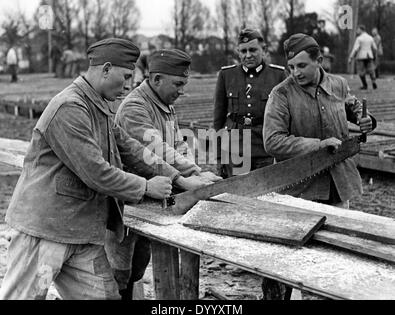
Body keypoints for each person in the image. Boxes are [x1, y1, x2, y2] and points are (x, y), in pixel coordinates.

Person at [0, 38, 209, 300]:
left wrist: (178, 177)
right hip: (44, 232)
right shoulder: (70, 107)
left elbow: (131, 149)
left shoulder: (99, 106)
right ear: (106, 69)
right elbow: (95, 171)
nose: (129, 85)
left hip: (83, 234)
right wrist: (145, 186)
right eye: (126, 76)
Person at [264, 33, 376, 299]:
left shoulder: (338, 85)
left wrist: (367, 121)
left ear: (319, 61)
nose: (295, 72)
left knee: (335, 264)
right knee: (302, 266)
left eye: (302, 66)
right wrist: (317, 145)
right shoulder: (281, 94)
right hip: (303, 192)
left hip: (339, 187)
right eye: (291, 67)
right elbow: (272, 141)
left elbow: (356, 113)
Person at [109, 48, 222, 300]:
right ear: (157, 79)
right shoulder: (135, 107)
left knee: (138, 265)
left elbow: (178, 145)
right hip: (126, 202)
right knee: (118, 272)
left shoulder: (165, 104)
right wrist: (188, 176)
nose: (182, 90)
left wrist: (198, 174)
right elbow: (155, 152)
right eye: (178, 84)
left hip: (154, 200)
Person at [214, 28, 287, 179]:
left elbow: (287, 117)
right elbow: (218, 119)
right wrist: (219, 155)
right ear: (238, 52)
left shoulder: (278, 75)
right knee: (235, 195)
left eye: (253, 50)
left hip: (265, 148)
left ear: (264, 50)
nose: (248, 55)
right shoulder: (226, 75)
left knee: (267, 195)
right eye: (243, 51)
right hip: (235, 148)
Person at [348, 25, 378, 90]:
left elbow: (355, 49)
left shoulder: (359, 38)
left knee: (361, 71)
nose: (357, 31)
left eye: (358, 29)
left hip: (361, 56)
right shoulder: (370, 37)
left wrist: (351, 57)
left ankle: (365, 85)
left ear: (361, 30)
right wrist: (374, 56)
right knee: (371, 70)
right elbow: (375, 48)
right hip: (369, 56)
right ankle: (373, 82)